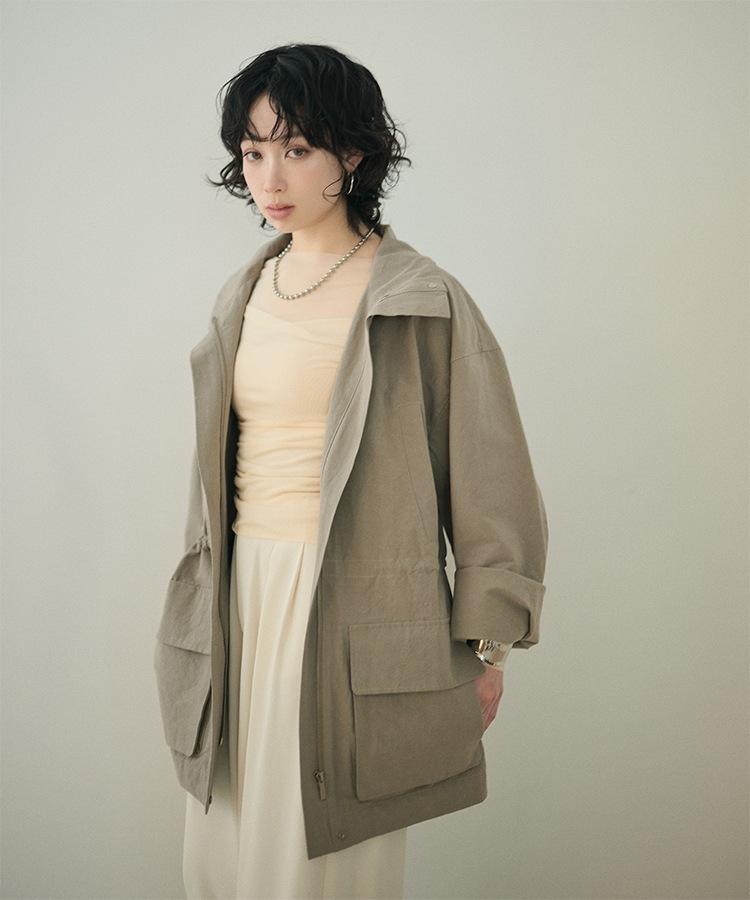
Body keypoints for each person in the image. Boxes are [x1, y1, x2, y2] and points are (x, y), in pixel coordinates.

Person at [154, 43, 547, 900]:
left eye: (296, 149)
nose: (269, 178)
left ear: (355, 153)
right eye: (253, 152)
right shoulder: (244, 293)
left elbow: (492, 480)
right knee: (221, 858)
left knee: (320, 860)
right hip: (239, 604)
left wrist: (489, 647)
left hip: (350, 608)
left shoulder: (420, 298)